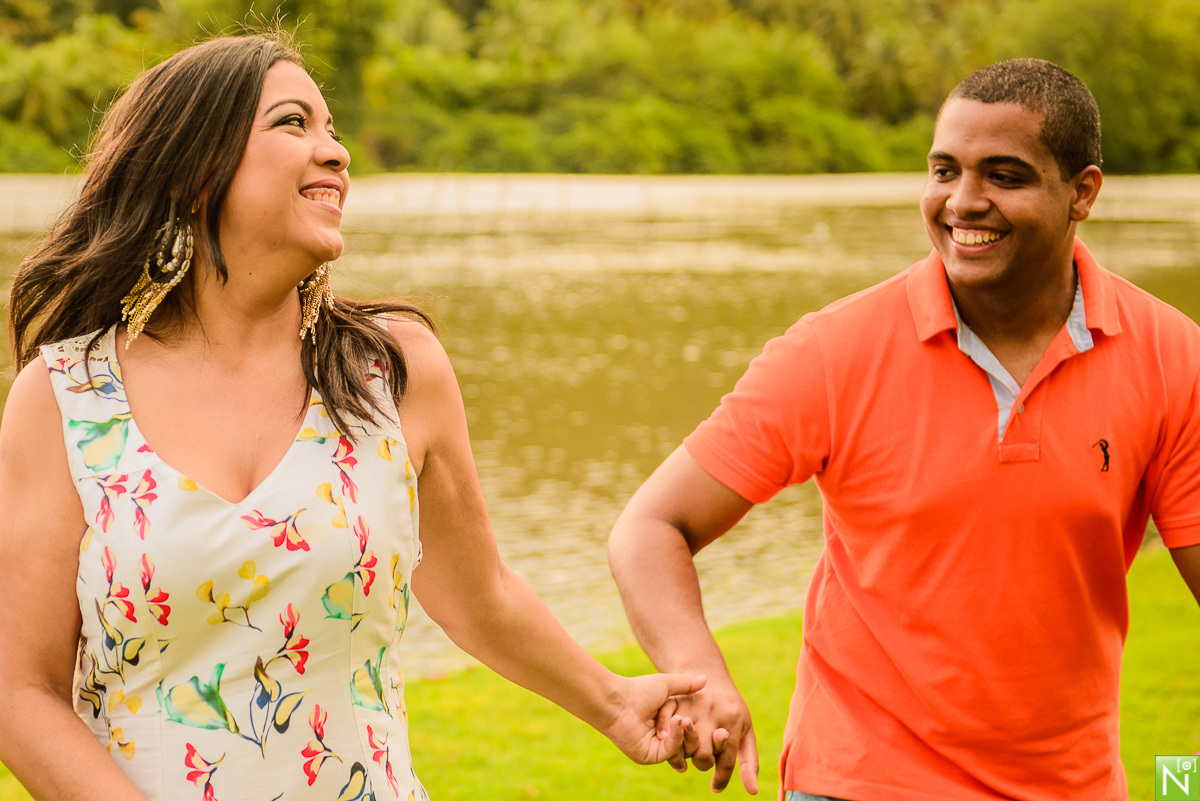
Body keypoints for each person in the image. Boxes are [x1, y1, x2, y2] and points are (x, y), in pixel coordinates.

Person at [0, 32, 705, 801]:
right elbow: (19, 690)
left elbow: (482, 595)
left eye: (333, 129)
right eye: (293, 123)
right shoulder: (66, 397)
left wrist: (613, 702)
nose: (334, 152)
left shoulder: (392, 373)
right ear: (197, 169)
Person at [608, 58, 1200, 801]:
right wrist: (700, 673)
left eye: (1004, 176)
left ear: (1083, 192)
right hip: (856, 781)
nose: (963, 201)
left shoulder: (1174, 358)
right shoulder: (833, 351)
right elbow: (651, 525)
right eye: (944, 170)